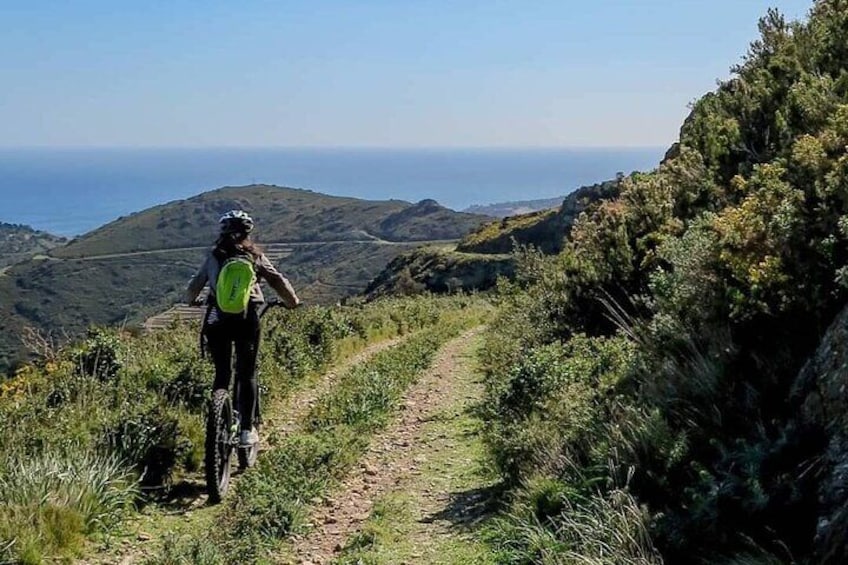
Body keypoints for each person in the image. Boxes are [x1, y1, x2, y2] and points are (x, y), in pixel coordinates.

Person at [186, 210, 300, 446]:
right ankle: (247, 429)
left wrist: (191, 300)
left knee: (222, 373)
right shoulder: (254, 256)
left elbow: (195, 285)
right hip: (247, 318)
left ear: (222, 232)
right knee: (246, 372)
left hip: (217, 319)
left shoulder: (214, 256)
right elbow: (276, 280)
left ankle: (218, 421)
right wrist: (292, 302)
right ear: (248, 232)